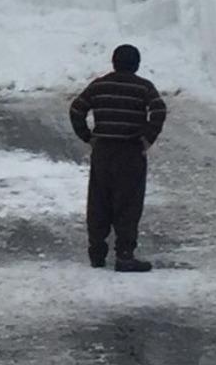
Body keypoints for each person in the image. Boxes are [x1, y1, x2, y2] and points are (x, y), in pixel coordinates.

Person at [69, 44, 167, 272]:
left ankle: (97, 252)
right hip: (130, 152)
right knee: (128, 203)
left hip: (103, 151)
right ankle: (124, 254)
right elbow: (159, 110)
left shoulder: (99, 85)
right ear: (137, 64)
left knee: (99, 201)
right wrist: (147, 138)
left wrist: (88, 136)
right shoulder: (143, 87)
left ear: (113, 62)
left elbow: (76, 109)